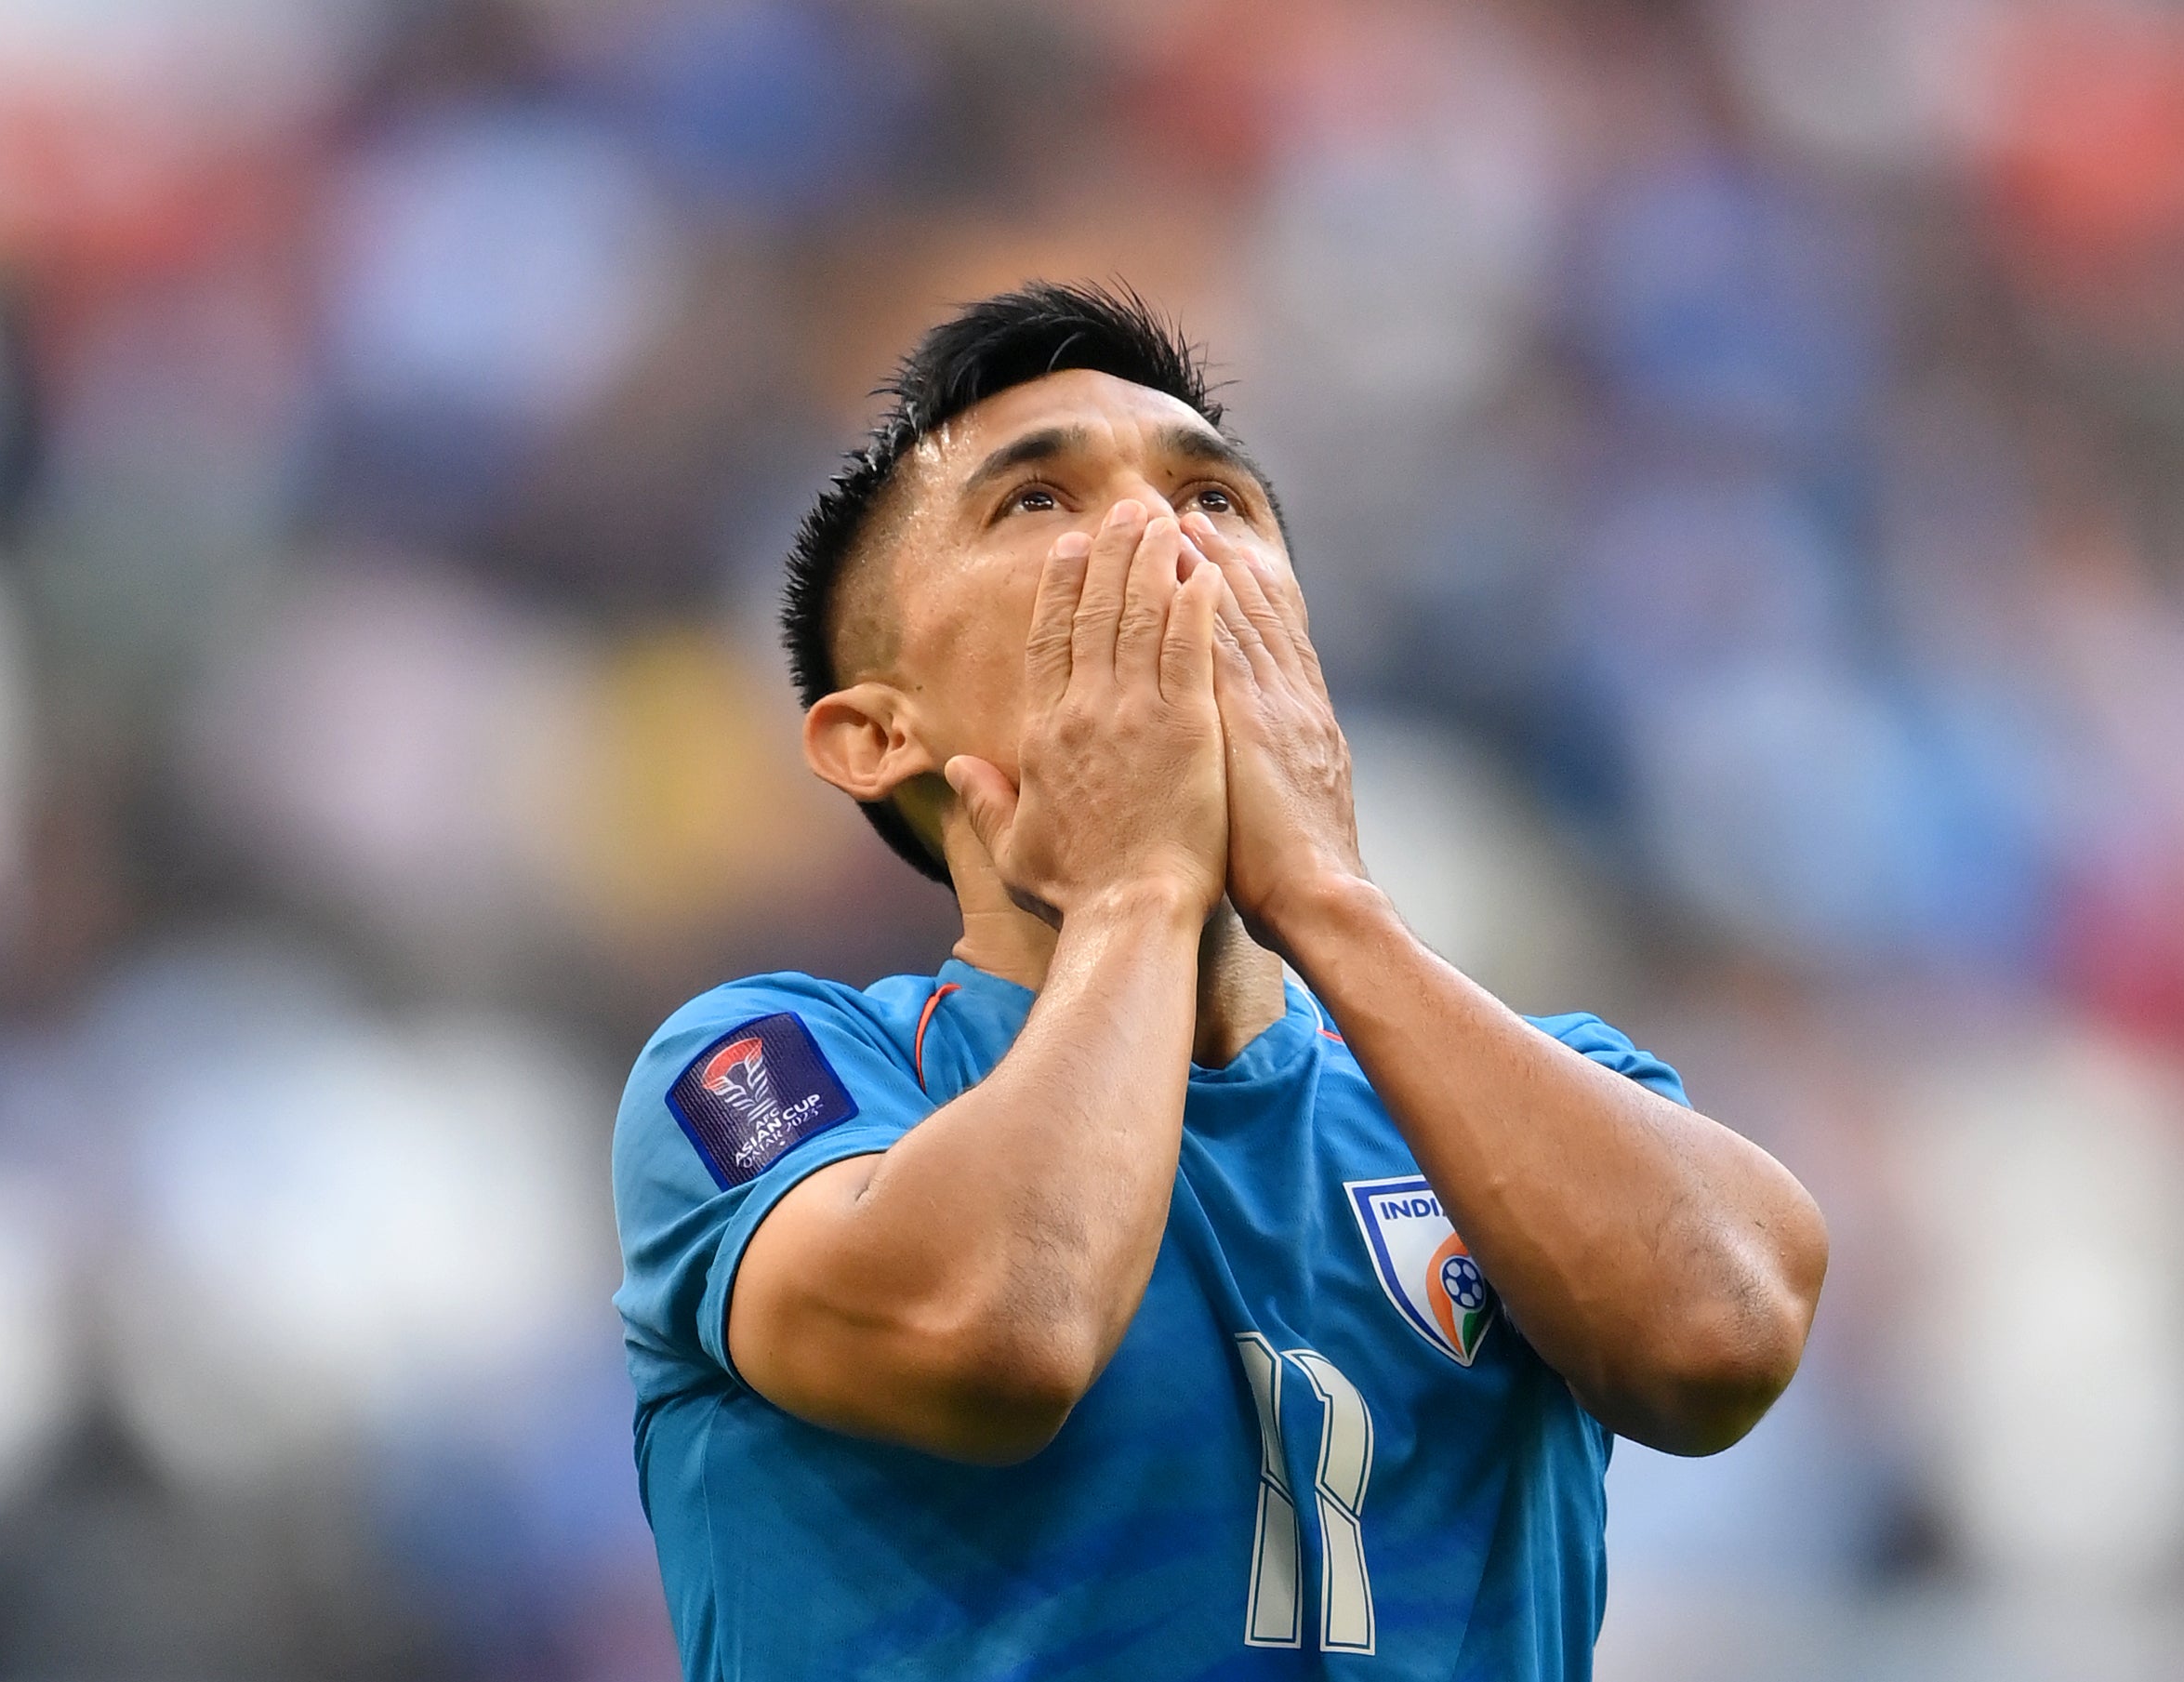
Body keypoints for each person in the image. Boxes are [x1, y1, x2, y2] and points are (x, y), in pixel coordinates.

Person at [611, 283, 1828, 1680]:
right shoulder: (773, 1068)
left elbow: (1725, 1333)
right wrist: (1136, 888)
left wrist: (1330, 901)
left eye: (1218, 499)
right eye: (1037, 504)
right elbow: (994, 1329)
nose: (1161, 533)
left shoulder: (1529, 1090)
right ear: (876, 733)